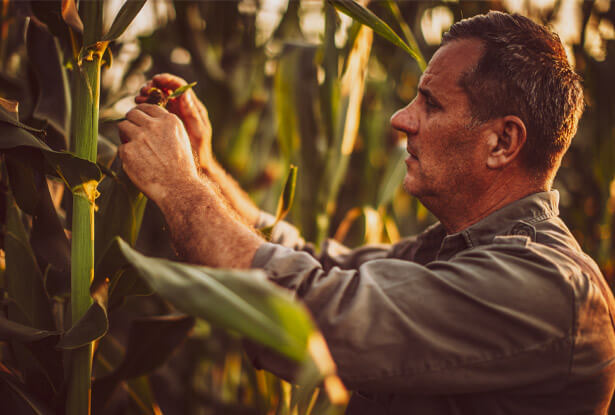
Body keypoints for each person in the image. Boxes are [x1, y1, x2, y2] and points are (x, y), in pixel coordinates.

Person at [118, 11, 615, 415]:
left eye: (432, 104)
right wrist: (203, 169)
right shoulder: (455, 248)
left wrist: (178, 186)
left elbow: (310, 313)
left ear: (502, 142)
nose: (401, 119)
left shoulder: (543, 287)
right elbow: (313, 262)